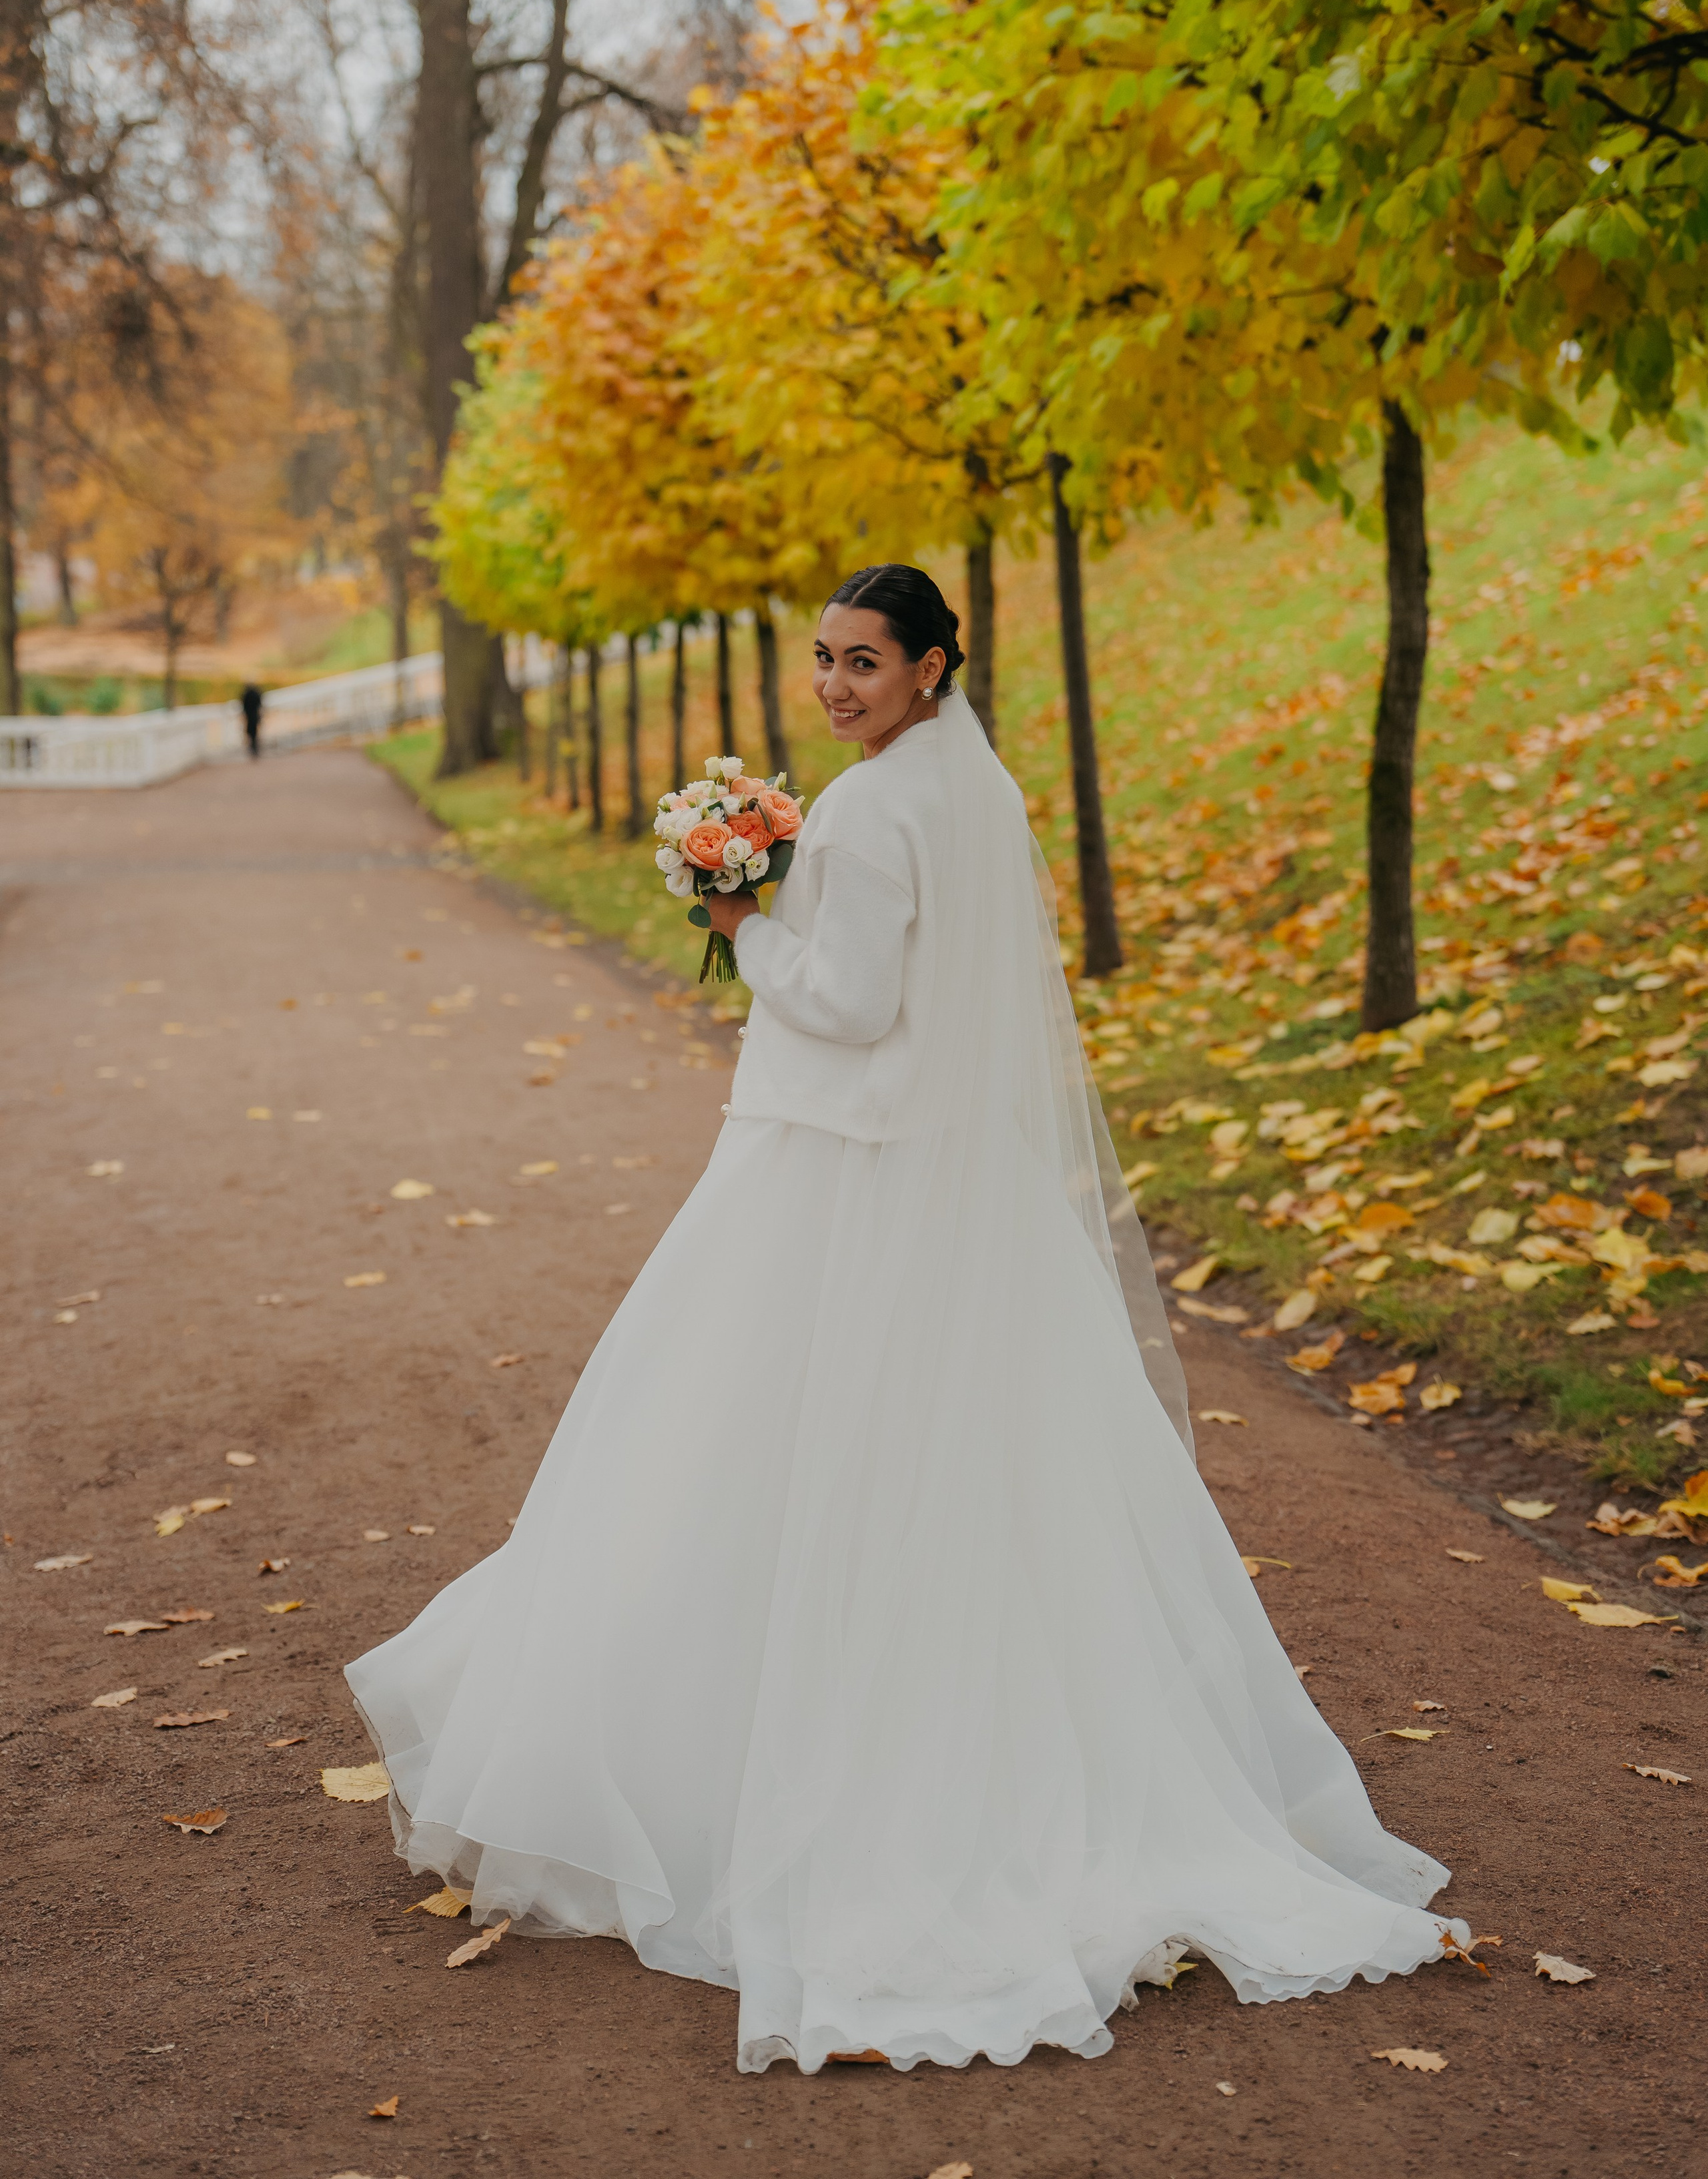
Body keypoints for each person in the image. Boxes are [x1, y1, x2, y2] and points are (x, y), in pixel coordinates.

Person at [346, 563, 1465, 2076]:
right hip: (961, 1181)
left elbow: (853, 1003)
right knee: (985, 1482)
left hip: (846, 1173)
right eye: (823, 658)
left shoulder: (873, 808)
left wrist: (741, 921)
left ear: (933, 664)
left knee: (738, 1449)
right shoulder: (977, 787)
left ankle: (739, 1788)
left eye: (864, 662)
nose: (834, 685)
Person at [240, 681, 263, 759]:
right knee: (255, 733)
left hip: (249, 717)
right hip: (255, 716)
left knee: (250, 733)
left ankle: (253, 748)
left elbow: (243, 706)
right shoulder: (256, 693)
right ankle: (255, 748)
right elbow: (260, 705)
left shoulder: (246, 694)